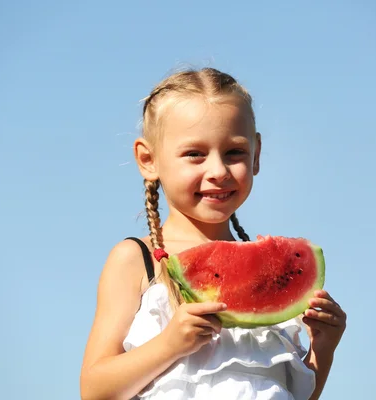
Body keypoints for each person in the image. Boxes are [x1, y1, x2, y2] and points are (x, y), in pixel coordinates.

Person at [80, 67, 347, 400]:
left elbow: (283, 390)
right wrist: (169, 345)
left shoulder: (267, 275)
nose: (219, 171)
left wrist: (323, 350)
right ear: (148, 160)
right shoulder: (136, 259)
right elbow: (94, 390)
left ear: (257, 155)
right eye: (195, 154)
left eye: (235, 152)